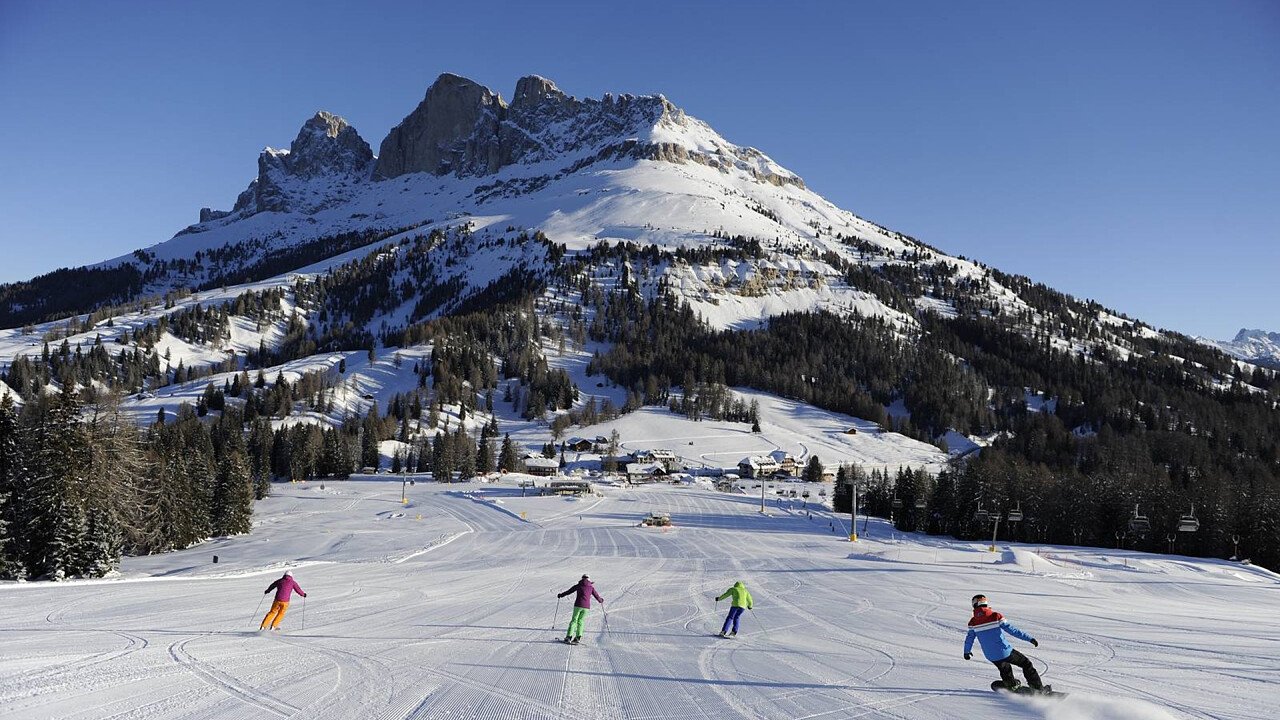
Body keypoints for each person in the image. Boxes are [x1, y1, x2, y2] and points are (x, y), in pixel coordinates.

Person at [963, 594, 1048, 692]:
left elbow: (970, 638)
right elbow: (1013, 630)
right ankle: (1038, 688)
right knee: (1026, 664)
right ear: (985, 603)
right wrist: (1029, 639)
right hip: (1004, 651)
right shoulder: (995, 616)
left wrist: (966, 652)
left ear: (974, 605)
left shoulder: (973, 622)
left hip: (990, 655)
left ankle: (1011, 685)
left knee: (1004, 667)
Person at [557, 574, 603, 644]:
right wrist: (601, 600)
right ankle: (578, 637)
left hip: (578, 605)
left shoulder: (578, 585)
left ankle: (568, 637)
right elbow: (597, 596)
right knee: (581, 621)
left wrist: (561, 595)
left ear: (582, 579)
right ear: (589, 579)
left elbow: (569, 591)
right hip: (586, 607)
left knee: (574, 620)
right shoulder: (591, 588)